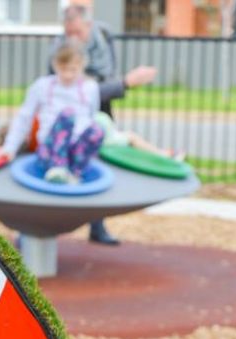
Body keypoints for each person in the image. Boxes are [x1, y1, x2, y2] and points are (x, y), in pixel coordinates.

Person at [52, 4, 157, 244]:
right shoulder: (60, 47)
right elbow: (67, 84)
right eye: (68, 32)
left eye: (77, 32)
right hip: (66, 116)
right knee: (62, 164)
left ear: (88, 26)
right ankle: (46, 225)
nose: (72, 38)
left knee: (96, 163)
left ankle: (97, 225)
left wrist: (111, 84)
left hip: (99, 110)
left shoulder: (103, 37)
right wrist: (125, 83)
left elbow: (103, 78)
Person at [0, 39, 104, 185]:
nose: (68, 75)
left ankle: (75, 173)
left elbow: (92, 115)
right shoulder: (42, 85)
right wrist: (9, 148)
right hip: (49, 151)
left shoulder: (90, 87)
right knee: (67, 115)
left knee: (97, 130)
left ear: (82, 66)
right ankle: (57, 168)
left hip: (74, 152)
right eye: (63, 69)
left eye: (73, 69)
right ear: (55, 65)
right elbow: (24, 118)